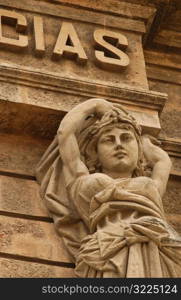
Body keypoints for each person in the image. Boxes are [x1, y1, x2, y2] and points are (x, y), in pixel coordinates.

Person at [36, 98, 181, 277]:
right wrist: (95, 104)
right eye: (108, 140)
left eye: (126, 138)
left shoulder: (152, 185)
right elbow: (65, 133)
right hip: (108, 248)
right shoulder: (82, 179)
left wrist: (143, 142)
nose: (119, 144)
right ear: (95, 153)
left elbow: (162, 160)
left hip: (156, 243)